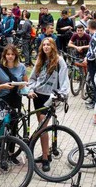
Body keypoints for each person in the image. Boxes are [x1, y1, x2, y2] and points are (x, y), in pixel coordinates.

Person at [27, 38, 69, 172]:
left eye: (48, 45)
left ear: (53, 46)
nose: (45, 47)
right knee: (41, 127)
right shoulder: (40, 60)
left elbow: (64, 79)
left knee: (43, 126)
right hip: (37, 95)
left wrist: (62, 94)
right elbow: (32, 78)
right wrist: (31, 89)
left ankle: (45, 158)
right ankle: (46, 153)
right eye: (43, 45)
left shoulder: (59, 61)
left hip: (50, 97)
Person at [0, 44, 28, 109]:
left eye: (13, 54)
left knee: (15, 118)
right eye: (8, 54)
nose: (10, 56)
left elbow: (26, 81)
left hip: (16, 97)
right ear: (5, 55)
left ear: (16, 55)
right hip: (3, 98)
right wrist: (4, 86)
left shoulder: (22, 67)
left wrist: (22, 85)